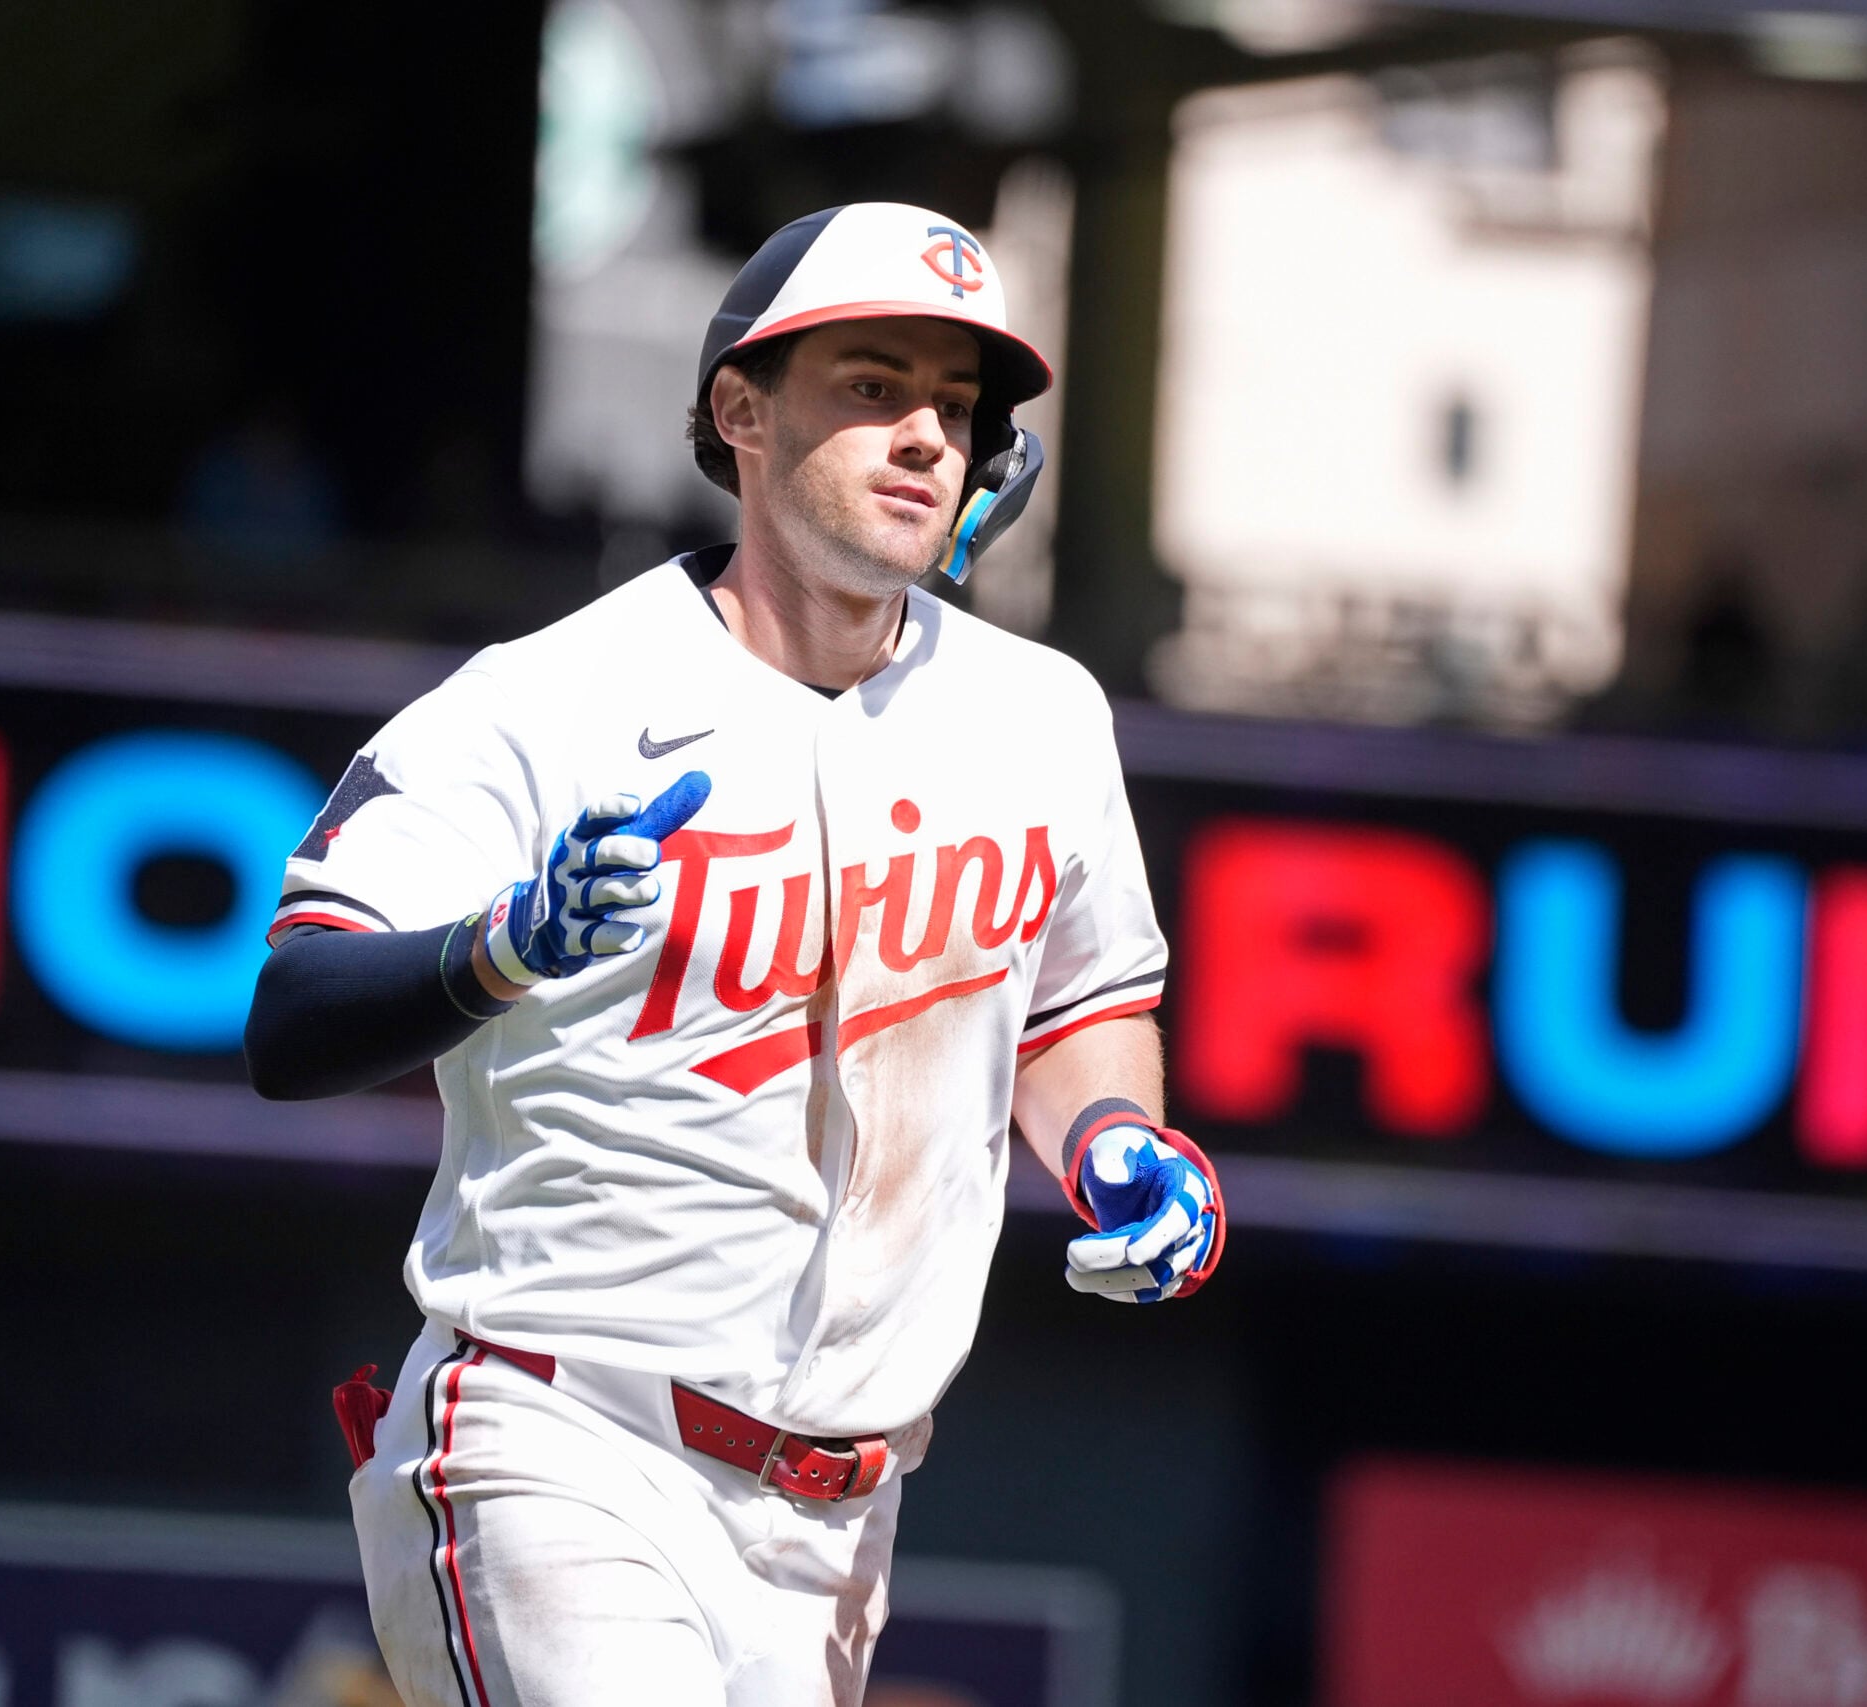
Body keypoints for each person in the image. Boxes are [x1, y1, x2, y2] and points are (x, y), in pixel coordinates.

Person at [243, 201, 1225, 1707]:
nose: (923, 435)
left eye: (956, 408)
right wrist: (505, 948)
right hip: (560, 1441)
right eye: (871, 383)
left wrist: (1115, 1144)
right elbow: (295, 1012)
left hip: (840, 1519)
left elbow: (1082, 1003)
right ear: (740, 411)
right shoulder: (548, 700)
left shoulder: (1038, 717)